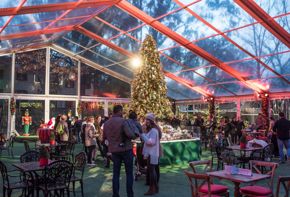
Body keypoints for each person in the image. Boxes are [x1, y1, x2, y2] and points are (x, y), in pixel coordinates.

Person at [103, 105, 137, 197]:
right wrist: (135, 135)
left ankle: (115, 194)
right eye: (122, 111)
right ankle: (130, 194)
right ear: (120, 111)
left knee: (116, 174)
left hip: (114, 151)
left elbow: (104, 138)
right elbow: (130, 134)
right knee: (129, 173)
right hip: (126, 149)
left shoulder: (106, 123)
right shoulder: (123, 121)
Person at [141, 113, 161, 195]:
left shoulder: (153, 130)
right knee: (152, 171)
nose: (146, 121)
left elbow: (150, 142)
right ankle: (155, 188)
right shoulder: (153, 130)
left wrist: (142, 135)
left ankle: (152, 188)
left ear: (150, 121)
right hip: (151, 153)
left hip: (152, 154)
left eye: (147, 120)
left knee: (152, 171)